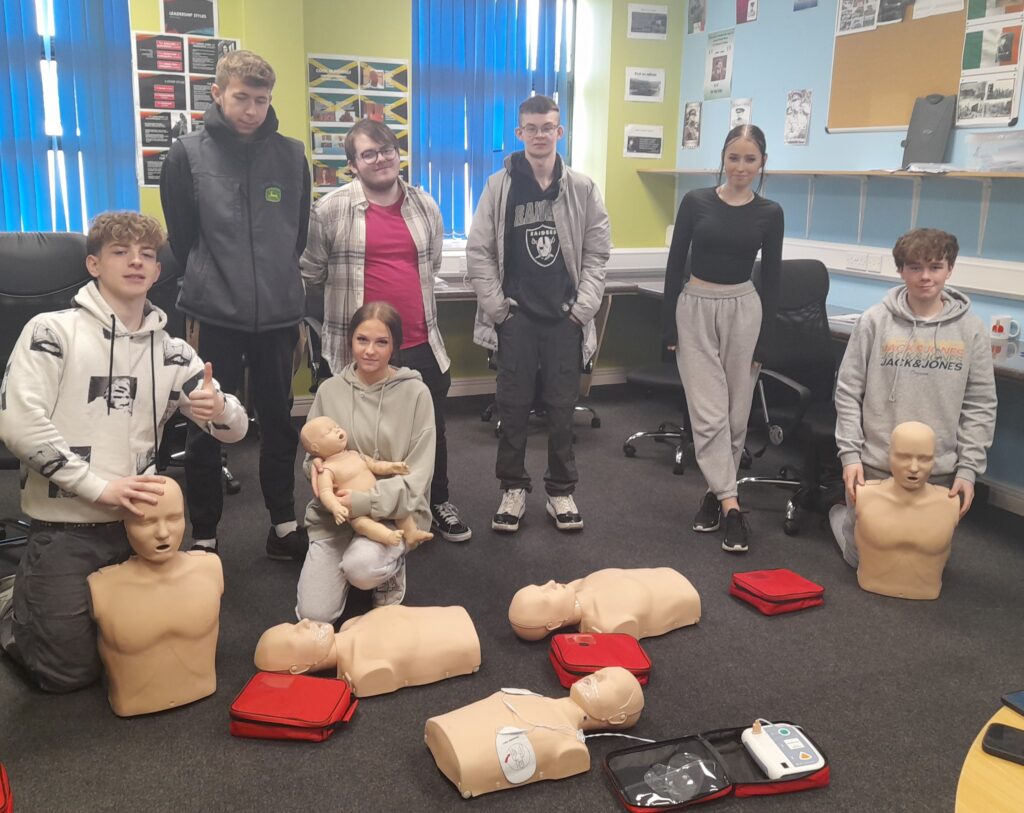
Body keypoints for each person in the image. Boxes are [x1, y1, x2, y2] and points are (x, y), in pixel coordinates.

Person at [0, 212, 247, 693]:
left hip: (138, 524)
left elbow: (233, 430)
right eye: (119, 252)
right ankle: (15, 598)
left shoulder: (171, 351)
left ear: (157, 272)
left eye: (147, 255)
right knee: (67, 676)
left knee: (147, 644)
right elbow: (19, 425)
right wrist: (100, 486)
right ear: (93, 263)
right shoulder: (50, 331)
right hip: (65, 524)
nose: (136, 261)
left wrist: (218, 407)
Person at [160, 49, 312, 560]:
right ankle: (204, 534)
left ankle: (284, 525)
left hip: (278, 315)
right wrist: (221, 280)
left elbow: (297, 235)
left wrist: (272, 283)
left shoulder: (292, 156)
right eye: (241, 98)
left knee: (278, 422)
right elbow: (183, 241)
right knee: (207, 426)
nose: (251, 109)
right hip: (213, 315)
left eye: (261, 99)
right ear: (218, 93)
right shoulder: (185, 154)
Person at [301, 119, 472, 544]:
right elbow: (312, 271)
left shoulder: (425, 205)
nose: (381, 159)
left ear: (399, 154)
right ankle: (361, 502)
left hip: (418, 340)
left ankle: (437, 500)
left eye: (388, 150)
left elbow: (429, 267)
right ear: (353, 165)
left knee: (429, 430)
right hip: (357, 349)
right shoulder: (331, 210)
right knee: (355, 434)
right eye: (369, 154)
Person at [466, 94, 611, 534]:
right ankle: (512, 489)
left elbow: (597, 254)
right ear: (519, 133)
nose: (540, 135)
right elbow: (479, 250)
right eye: (531, 128)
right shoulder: (501, 186)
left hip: (564, 318)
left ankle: (561, 491)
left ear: (559, 131)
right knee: (511, 408)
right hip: (517, 318)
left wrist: (581, 310)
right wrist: (498, 309)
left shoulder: (582, 188)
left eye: (548, 127)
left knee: (562, 409)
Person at [662, 124, 784, 553]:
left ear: (762, 163)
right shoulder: (695, 202)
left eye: (750, 159)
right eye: (734, 157)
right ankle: (734, 507)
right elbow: (675, 263)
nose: (741, 167)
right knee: (710, 415)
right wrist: (668, 327)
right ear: (723, 158)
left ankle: (714, 496)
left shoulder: (770, 213)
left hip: (744, 312)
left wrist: (765, 341)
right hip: (694, 307)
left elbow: (771, 280)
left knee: (735, 417)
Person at [833, 228, 996, 522]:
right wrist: (850, 456)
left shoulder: (971, 329)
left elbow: (981, 404)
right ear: (900, 271)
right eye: (915, 267)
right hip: (877, 462)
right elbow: (847, 391)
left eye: (935, 267)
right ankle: (839, 517)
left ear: (949, 270)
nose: (925, 276)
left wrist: (968, 469)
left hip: (938, 469)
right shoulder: (873, 321)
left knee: (925, 555)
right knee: (863, 558)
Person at [297, 301, 435, 623]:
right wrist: (315, 472)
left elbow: (417, 476)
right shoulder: (330, 390)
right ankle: (351, 562)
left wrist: (365, 501)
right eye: (362, 340)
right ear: (350, 341)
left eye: (381, 342)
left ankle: (386, 568)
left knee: (362, 569)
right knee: (314, 614)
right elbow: (312, 458)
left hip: (394, 514)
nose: (369, 351)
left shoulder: (416, 394)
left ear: (395, 346)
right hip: (337, 516)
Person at [89, 478, 223, 716]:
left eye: (173, 518)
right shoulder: (103, 585)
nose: (163, 533)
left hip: (204, 688)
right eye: (147, 522)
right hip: (131, 705)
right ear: (125, 525)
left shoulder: (210, 568)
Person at [424, 667, 644, 798]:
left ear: (617, 718)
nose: (594, 676)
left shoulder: (570, 747)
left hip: (464, 765)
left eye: (605, 682)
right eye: (599, 673)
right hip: (441, 729)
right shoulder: (530, 697)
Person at [835, 422, 960, 600]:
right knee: (837, 516)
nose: (914, 468)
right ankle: (831, 508)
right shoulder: (866, 494)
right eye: (904, 457)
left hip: (927, 592)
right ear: (890, 456)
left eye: (924, 459)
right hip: (869, 584)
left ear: (934, 460)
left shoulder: (949, 502)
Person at [253, 605, 480, 697]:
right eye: (296, 635)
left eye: (294, 625)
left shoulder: (350, 625)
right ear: (298, 668)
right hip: (466, 644)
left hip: (454, 616)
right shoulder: (362, 672)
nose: (303, 623)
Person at [299, 415, 432, 548]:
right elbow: (325, 492)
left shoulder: (355, 454)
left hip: (379, 499)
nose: (337, 430)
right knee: (361, 525)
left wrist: (392, 466)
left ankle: (411, 533)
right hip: (355, 510)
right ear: (316, 447)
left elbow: (375, 465)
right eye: (329, 431)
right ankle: (387, 536)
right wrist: (335, 507)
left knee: (400, 510)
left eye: (337, 427)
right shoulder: (326, 469)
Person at [507, 567, 701, 641]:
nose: (550, 583)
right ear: (553, 624)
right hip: (684, 595)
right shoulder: (607, 624)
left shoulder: (579, 586)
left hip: (667, 574)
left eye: (541, 585)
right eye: (546, 596)